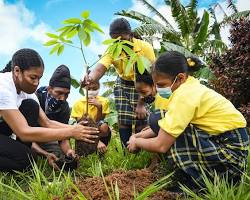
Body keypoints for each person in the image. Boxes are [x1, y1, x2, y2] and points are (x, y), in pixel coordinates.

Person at [127, 51, 249, 190]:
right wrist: (137, 136)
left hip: (231, 155)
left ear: (180, 78)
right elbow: (166, 124)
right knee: (159, 119)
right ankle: (193, 175)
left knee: (158, 119)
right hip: (229, 144)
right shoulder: (189, 86)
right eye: (156, 85)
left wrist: (136, 142)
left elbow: (161, 145)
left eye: (161, 84)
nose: (158, 89)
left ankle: (201, 183)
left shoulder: (185, 96)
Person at [0, 48, 99, 172]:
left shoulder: (27, 91)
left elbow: (47, 123)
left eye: (39, 78)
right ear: (17, 71)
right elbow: (24, 132)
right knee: (26, 161)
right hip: (21, 133)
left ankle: (23, 152)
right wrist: (72, 132)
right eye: (33, 77)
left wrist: (79, 128)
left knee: (31, 106)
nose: (36, 83)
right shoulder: (3, 88)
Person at [83, 18, 155, 147]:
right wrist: (90, 78)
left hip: (143, 84)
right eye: (115, 40)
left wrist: (141, 103)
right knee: (123, 119)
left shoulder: (145, 48)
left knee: (142, 118)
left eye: (121, 39)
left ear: (130, 35)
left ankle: (141, 148)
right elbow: (100, 68)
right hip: (122, 83)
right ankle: (126, 150)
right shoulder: (112, 49)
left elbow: (151, 77)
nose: (118, 44)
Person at [32, 65, 76, 170]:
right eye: (59, 93)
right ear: (49, 89)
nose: (62, 98)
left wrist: (69, 151)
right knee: (30, 157)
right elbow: (24, 134)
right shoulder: (34, 98)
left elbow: (63, 136)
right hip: (28, 138)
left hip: (47, 139)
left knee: (60, 157)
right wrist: (44, 154)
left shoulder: (64, 107)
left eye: (66, 94)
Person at [71, 81, 111, 154]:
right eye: (89, 89)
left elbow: (99, 121)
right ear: (83, 88)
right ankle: (84, 151)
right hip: (84, 126)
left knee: (104, 127)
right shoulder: (78, 103)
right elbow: (81, 123)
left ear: (99, 87)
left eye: (94, 88)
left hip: (98, 126)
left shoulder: (104, 101)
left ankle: (102, 152)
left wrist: (99, 107)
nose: (92, 91)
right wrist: (98, 141)